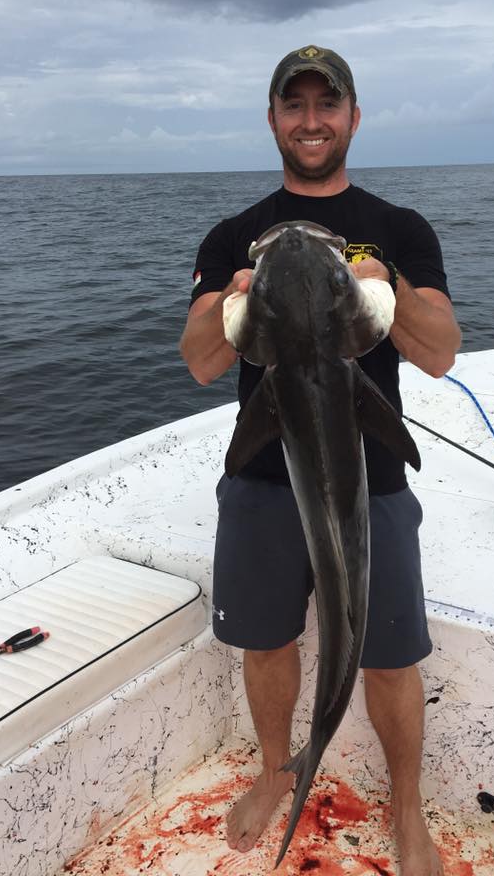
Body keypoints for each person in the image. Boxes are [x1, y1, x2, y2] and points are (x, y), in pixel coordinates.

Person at [180, 45, 461, 876]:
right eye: (293, 105)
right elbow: (200, 361)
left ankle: (406, 811)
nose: (311, 120)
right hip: (264, 481)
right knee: (266, 643)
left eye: (325, 105)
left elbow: (440, 352)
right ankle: (278, 771)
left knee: (388, 656)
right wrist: (235, 297)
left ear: (352, 117)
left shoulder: (401, 229)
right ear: (273, 120)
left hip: (370, 480)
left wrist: (380, 281)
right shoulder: (234, 234)